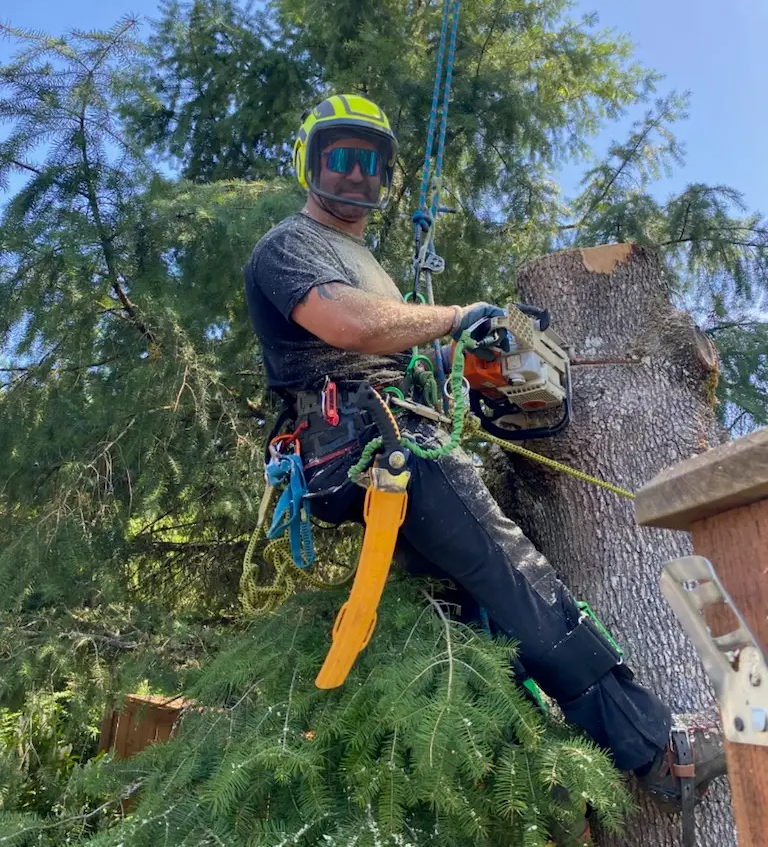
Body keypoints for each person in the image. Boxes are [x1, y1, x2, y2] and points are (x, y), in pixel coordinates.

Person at [243, 93, 726, 819]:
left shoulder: (365, 260)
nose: (353, 176)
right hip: (379, 446)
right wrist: (458, 315)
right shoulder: (289, 246)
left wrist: (472, 350)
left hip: (390, 437)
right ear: (308, 161)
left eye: (370, 164)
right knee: (518, 577)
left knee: (483, 613)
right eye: (338, 159)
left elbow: (398, 338)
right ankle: (661, 749)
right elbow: (349, 325)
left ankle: (558, 768)